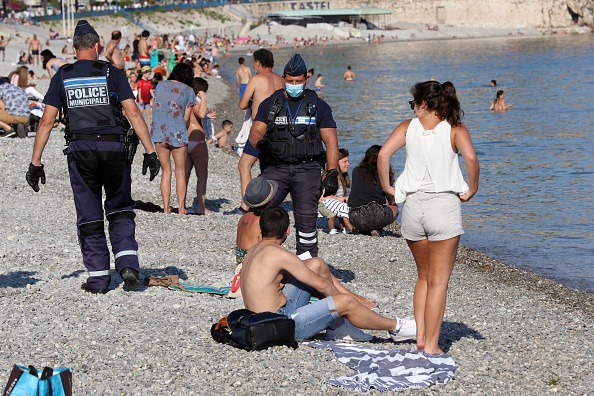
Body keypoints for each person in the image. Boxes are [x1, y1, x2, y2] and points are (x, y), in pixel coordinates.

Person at [25, 20, 161, 294]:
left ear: (74, 48)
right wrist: (150, 152)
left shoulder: (62, 76)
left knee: (89, 212)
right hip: (114, 149)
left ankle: (99, 278)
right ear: (98, 46)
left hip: (81, 151)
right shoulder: (113, 72)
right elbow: (133, 113)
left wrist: (35, 162)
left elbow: (47, 122)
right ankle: (128, 266)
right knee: (120, 206)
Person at [377, 80, 479, 354]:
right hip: (442, 207)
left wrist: (389, 187)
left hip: (412, 209)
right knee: (439, 281)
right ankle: (431, 346)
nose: (412, 109)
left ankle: (422, 335)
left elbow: (384, 154)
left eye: (413, 104)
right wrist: (472, 188)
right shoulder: (455, 129)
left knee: (423, 276)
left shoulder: (406, 127)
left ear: (423, 104)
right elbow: (470, 158)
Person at [241, 206, 417, 342]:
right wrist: (346, 306)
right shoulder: (280, 254)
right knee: (344, 302)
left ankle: (337, 327)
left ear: (261, 229)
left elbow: (298, 273)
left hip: (261, 318)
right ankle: (395, 327)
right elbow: (323, 285)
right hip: (280, 325)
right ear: (287, 230)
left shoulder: (254, 250)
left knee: (315, 264)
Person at [248, 54, 340, 257]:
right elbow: (255, 132)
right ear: (284, 78)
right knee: (260, 215)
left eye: (298, 81)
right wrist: (261, 143)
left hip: (307, 170)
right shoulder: (271, 104)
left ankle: (306, 267)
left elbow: (331, 142)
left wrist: (332, 172)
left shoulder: (320, 107)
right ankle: (258, 259)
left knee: (306, 223)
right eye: (290, 81)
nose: (294, 85)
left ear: (306, 79)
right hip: (275, 168)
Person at [224, 49, 285, 215]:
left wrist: (253, 100)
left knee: (244, 165)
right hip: (279, 130)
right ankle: (268, 204)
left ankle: (246, 206)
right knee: (268, 169)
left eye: (255, 64)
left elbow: (242, 104)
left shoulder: (256, 79)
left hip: (260, 129)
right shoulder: (281, 80)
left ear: (258, 63)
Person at [150, 62, 195, 215]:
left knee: (166, 172)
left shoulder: (160, 86)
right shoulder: (189, 90)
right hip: (178, 133)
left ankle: (166, 208)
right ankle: (181, 208)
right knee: (180, 171)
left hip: (159, 133)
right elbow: (187, 118)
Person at [348, 145, 398, 237]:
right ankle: (376, 228)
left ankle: (364, 229)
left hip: (354, 217)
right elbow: (391, 200)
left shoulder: (355, 171)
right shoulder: (383, 173)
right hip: (374, 213)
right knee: (395, 208)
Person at [185, 77, 213, 215]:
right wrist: (204, 97)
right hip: (197, 141)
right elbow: (200, 114)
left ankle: (181, 205)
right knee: (202, 175)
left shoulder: (185, 100)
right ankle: (201, 207)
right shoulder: (194, 101)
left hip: (186, 141)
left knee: (184, 175)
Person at [235, 176, 277, 264]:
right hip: (253, 263)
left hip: (240, 261)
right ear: (269, 201)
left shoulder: (244, 217)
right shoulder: (262, 222)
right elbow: (268, 248)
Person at [318, 148, 353, 234]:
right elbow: (322, 198)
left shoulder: (342, 178)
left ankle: (345, 227)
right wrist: (345, 199)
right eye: (345, 162)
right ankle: (348, 229)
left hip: (335, 212)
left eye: (348, 161)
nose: (348, 164)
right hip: (324, 218)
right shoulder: (331, 179)